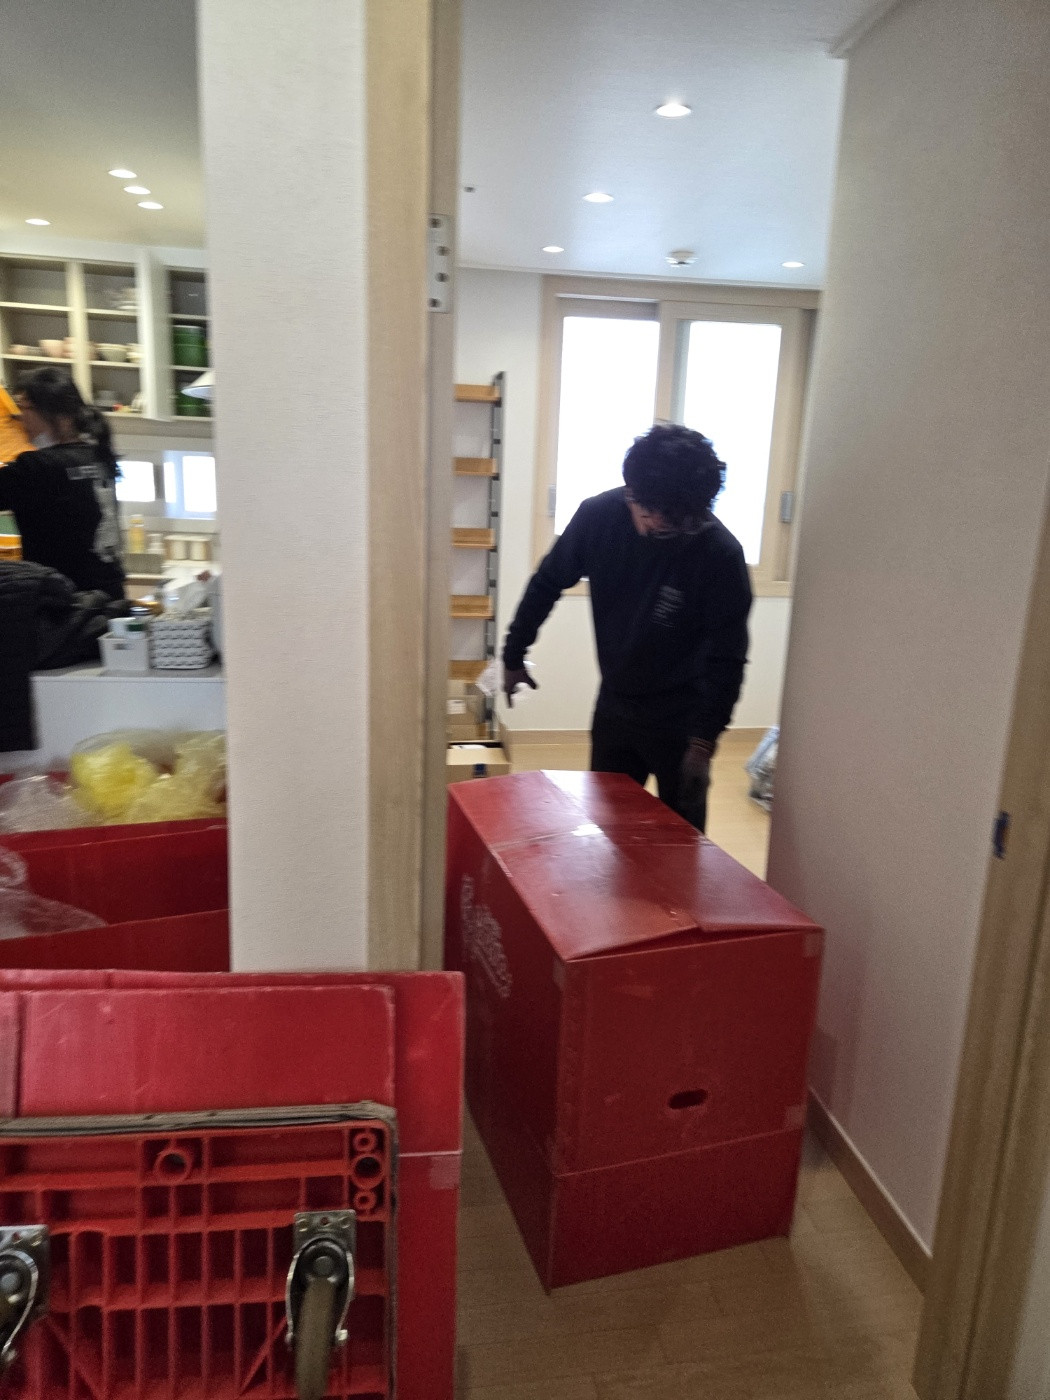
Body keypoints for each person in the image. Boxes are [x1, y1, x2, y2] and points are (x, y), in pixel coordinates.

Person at [502, 423, 752, 831]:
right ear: (631, 493)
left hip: (683, 722)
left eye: (676, 524)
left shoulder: (719, 554)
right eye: (650, 515)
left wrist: (704, 743)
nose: (657, 528)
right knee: (607, 833)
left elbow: (728, 657)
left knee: (682, 843)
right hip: (616, 708)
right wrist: (513, 655)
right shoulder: (599, 518)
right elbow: (547, 582)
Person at [0, 368, 124, 599]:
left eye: (24, 407)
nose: (19, 418)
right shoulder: (100, 456)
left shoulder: (36, 467)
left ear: (58, 414)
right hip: (110, 599)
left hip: (64, 607)